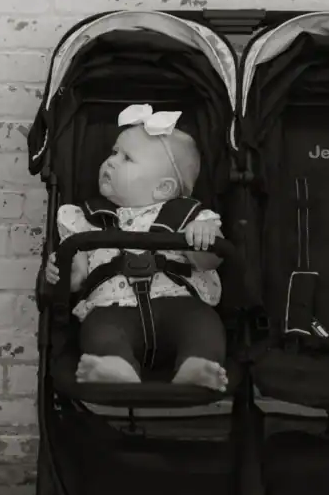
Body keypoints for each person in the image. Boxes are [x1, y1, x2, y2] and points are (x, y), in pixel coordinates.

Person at [43, 106, 227, 390]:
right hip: (114, 311)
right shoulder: (85, 219)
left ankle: (197, 365)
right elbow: (76, 277)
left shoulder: (190, 217)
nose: (111, 162)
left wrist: (204, 238)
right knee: (99, 330)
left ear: (163, 189)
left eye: (126, 158)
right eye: (113, 153)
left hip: (179, 306)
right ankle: (115, 367)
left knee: (203, 324)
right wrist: (60, 271)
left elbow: (209, 262)